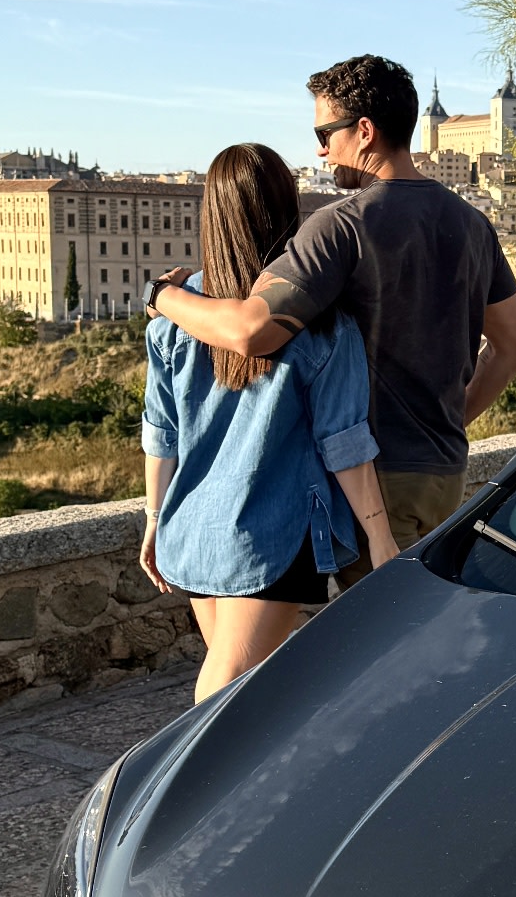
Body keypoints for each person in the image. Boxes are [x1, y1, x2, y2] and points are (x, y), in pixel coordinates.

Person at [150, 57, 516, 578]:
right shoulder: (472, 224)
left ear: (365, 131)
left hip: (374, 478)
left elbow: (250, 332)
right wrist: (449, 422)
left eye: (325, 132)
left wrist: (162, 298)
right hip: (444, 473)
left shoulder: (341, 227)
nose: (320, 150)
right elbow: (514, 349)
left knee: (374, 648)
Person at [141, 141, 395, 698]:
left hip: (196, 527)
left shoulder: (174, 313)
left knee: (245, 693)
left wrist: (156, 519)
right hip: (273, 536)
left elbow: (161, 434)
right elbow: (343, 440)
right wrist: (380, 536)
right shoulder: (321, 322)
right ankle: (176, 784)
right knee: (221, 702)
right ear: (288, 211)